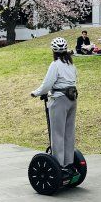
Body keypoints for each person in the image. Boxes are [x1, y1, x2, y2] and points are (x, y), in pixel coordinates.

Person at [30, 37, 78, 173]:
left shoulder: (55, 64)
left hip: (59, 100)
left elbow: (47, 85)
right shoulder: (71, 64)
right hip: (72, 99)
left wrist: (36, 93)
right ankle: (69, 163)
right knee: (69, 132)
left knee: (57, 133)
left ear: (53, 51)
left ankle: (59, 166)